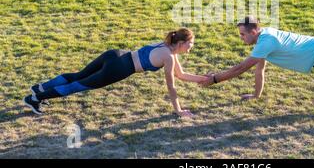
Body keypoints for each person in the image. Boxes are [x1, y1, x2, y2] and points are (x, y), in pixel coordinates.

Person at [23, 28, 207, 117]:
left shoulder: (165, 46)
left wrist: (207, 78)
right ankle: (34, 99)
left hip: (116, 54)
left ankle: (40, 88)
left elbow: (181, 74)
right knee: (78, 85)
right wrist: (178, 110)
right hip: (119, 69)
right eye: (190, 45)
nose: (190, 49)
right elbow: (171, 85)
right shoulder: (168, 56)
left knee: (78, 75)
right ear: (182, 43)